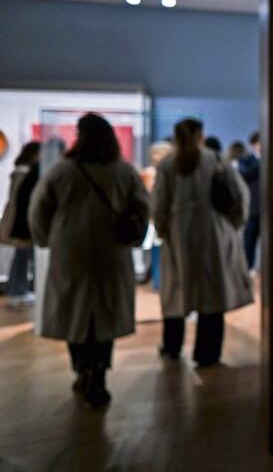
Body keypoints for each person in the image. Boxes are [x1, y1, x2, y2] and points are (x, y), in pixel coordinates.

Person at [28, 114, 150, 407]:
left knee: (75, 312)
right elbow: (142, 211)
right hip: (112, 253)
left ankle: (82, 368)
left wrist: (48, 239)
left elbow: (38, 212)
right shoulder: (123, 172)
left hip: (71, 252)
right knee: (104, 314)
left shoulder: (62, 172)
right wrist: (133, 238)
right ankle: (99, 370)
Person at [153, 118, 252, 366]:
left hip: (178, 235)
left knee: (176, 292)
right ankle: (207, 353)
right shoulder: (216, 160)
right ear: (200, 135)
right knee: (212, 296)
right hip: (213, 235)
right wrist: (234, 225)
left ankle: (172, 346)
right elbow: (239, 195)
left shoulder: (167, 164)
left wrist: (163, 229)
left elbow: (159, 204)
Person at [1, 142, 42, 305]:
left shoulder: (20, 172)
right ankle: (17, 290)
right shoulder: (24, 173)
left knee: (22, 256)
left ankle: (17, 289)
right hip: (22, 220)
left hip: (21, 220)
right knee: (22, 256)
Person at [235, 131, 261, 271]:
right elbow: (244, 175)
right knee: (249, 243)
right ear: (253, 144)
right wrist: (262, 162)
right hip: (252, 209)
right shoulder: (245, 161)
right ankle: (248, 271)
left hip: (269, 209)